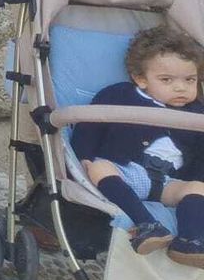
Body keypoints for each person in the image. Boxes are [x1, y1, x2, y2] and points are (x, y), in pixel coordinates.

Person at [72, 26, 204, 265]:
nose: (180, 87)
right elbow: (89, 124)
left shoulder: (197, 112)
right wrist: (84, 156)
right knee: (100, 167)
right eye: (167, 80)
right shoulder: (119, 96)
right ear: (141, 78)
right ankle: (146, 224)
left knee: (198, 187)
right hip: (126, 171)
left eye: (190, 80)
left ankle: (190, 241)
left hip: (167, 182)